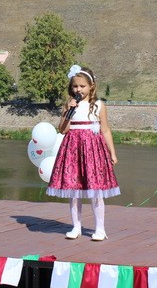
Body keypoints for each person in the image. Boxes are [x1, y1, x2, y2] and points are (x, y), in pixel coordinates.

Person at [47, 65, 119, 240]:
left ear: (91, 86)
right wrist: (68, 111)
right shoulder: (69, 105)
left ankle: (100, 229)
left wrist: (112, 152)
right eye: (75, 86)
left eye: (82, 86)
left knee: (95, 190)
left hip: (93, 150)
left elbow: (105, 130)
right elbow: (63, 130)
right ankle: (76, 227)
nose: (78, 89)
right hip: (72, 149)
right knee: (73, 191)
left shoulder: (99, 105)